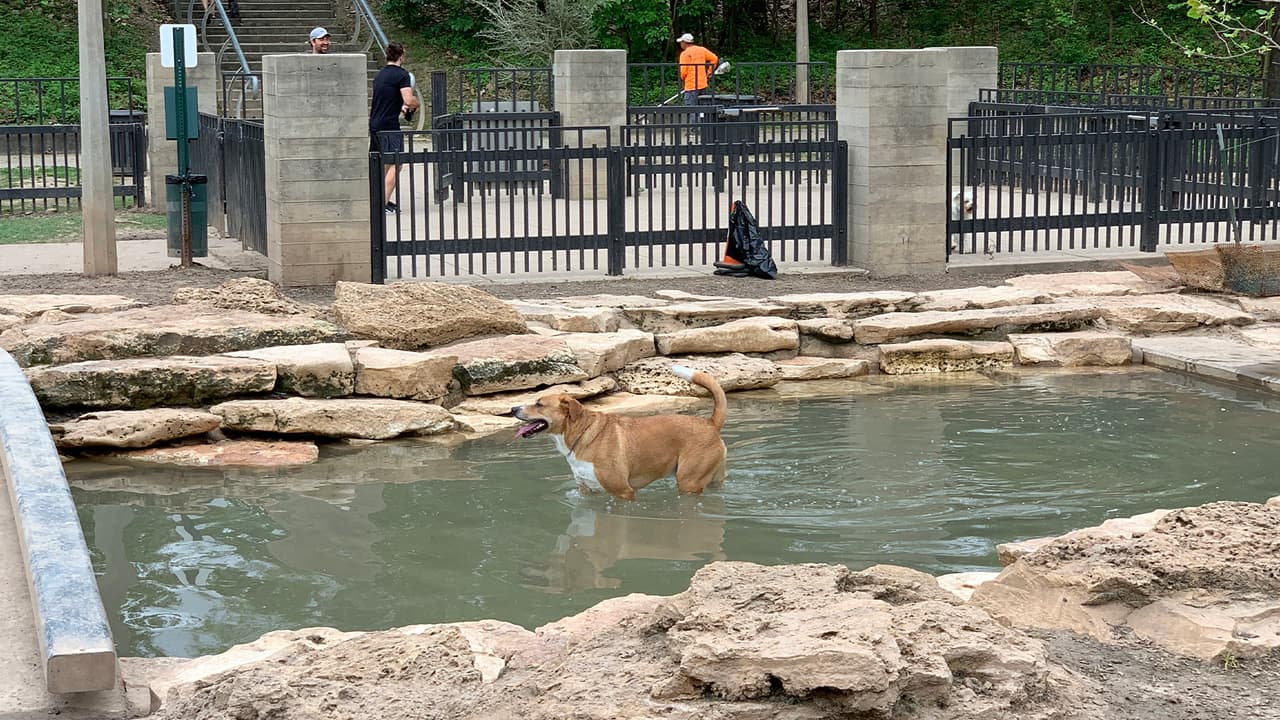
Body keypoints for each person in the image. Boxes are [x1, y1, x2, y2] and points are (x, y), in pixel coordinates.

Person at [369, 41, 419, 214]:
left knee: (382, 163)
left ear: (387, 55)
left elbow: (387, 100)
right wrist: (415, 104)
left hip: (375, 123)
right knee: (396, 163)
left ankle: (380, 199)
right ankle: (381, 205)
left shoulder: (380, 75)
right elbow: (408, 99)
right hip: (389, 126)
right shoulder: (402, 75)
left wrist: (400, 107)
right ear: (402, 56)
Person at [676, 33, 718, 107]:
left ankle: (694, 119)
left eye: (681, 42)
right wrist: (709, 72)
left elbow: (683, 71)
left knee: (692, 110)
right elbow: (714, 58)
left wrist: (682, 78)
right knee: (703, 109)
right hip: (703, 84)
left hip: (691, 85)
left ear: (684, 43)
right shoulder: (701, 50)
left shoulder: (684, 54)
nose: (680, 44)